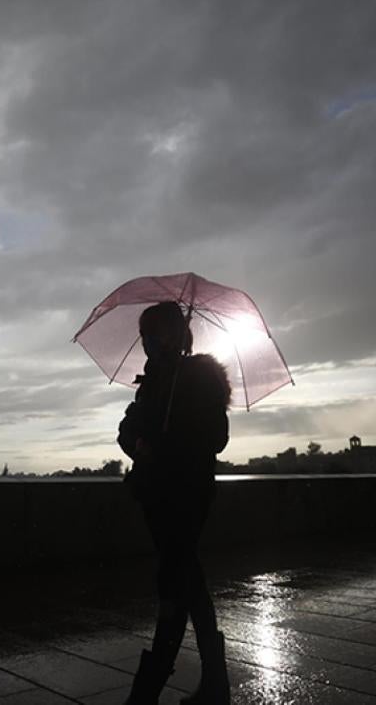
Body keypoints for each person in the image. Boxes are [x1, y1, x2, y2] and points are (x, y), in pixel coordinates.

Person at [117, 301, 231, 704]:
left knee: (173, 581)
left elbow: (215, 436)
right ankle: (216, 683)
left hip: (186, 492)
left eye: (152, 332)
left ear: (172, 333)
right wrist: (139, 442)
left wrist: (164, 442)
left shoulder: (199, 377)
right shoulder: (151, 382)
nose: (146, 341)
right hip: (155, 492)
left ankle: (146, 691)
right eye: (143, 333)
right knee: (188, 582)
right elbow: (127, 430)